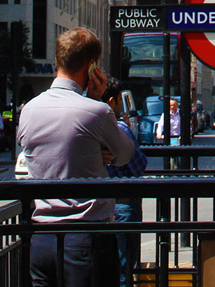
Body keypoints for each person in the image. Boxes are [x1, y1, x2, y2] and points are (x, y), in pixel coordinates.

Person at [17, 27, 135, 287]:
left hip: (41, 237)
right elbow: (126, 154)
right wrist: (97, 101)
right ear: (92, 67)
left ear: (58, 59)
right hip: (86, 237)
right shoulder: (97, 111)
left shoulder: (29, 110)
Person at [101, 76, 148, 285]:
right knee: (126, 266)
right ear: (112, 102)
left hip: (98, 207)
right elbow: (139, 166)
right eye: (120, 100)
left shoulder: (88, 128)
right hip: (124, 205)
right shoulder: (120, 129)